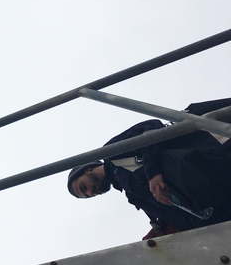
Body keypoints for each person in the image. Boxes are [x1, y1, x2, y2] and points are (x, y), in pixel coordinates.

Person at [67, 99, 231, 232]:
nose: (90, 192)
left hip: (213, 156)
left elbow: (149, 129)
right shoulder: (132, 195)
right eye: (87, 195)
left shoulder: (112, 153)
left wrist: (153, 172)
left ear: (87, 169)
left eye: (83, 187)